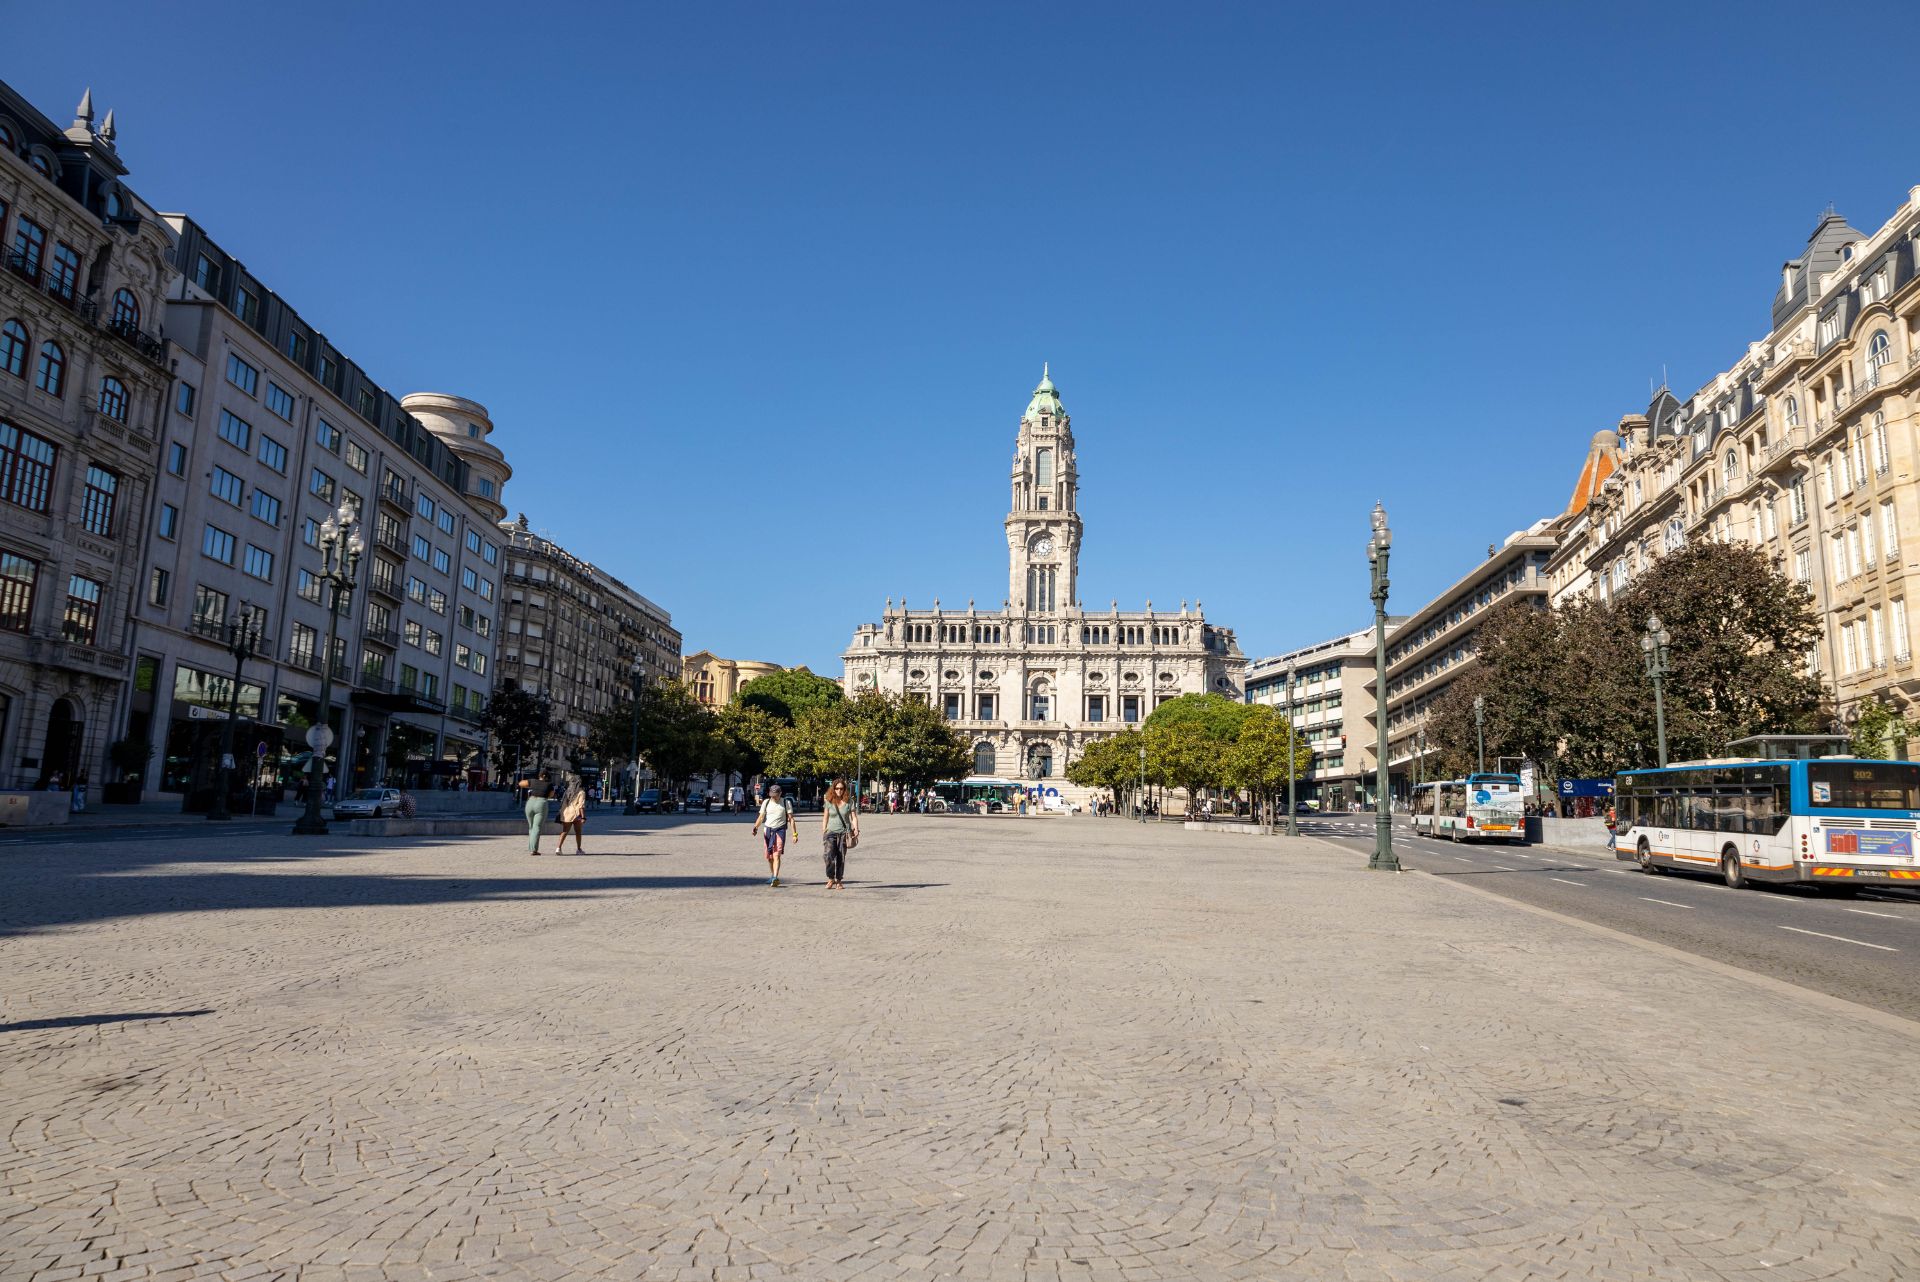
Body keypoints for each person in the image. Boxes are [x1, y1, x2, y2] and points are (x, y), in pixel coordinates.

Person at [753, 783, 795, 887]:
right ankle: (772, 875)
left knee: (777, 855)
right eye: (772, 795)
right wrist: (755, 827)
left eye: (776, 795)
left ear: (780, 793)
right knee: (769, 857)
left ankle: (775, 877)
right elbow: (761, 817)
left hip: (780, 831)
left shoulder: (786, 802)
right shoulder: (766, 802)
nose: (774, 797)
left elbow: (791, 819)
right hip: (767, 830)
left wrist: (794, 834)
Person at [821, 777, 859, 890]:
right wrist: (824, 830)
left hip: (844, 833)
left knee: (840, 858)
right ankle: (830, 877)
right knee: (828, 856)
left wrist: (856, 828)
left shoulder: (849, 801)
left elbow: (853, 817)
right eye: (837, 788)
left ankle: (838, 880)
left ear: (844, 789)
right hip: (831, 832)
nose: (839, 791)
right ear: (833, 789)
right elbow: (825, 817)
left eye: (841, 788)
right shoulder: (829, 800)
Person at [518, 769, 554, 856]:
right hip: (541, 803)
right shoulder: (549, 784)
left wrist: (531, 785)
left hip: (530, 802)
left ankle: (531, 848)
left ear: (539, 776)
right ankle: (533, 850)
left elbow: (520, 783)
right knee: (536, 827)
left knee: (531, 827)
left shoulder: (533, 781)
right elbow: (551, 795)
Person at [557, 773, 588, 854]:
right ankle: (578, 849)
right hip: (576, 815)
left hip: (566, 814)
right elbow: (581, 805)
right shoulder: (581, 792)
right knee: (578, 832)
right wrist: (583, 817)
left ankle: (558, 848)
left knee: (564, 831)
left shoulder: (567, 792)